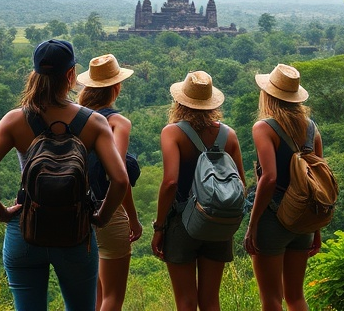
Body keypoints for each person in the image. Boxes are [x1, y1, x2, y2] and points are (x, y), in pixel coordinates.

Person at [0, 39, 128, 311]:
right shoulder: (94, 122)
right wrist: (100, 218)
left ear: (35, 74)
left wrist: (3, 214)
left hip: (25, 229)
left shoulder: (15, 120)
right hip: (75, 231)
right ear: (70, 75)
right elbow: (121, 180)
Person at [151, 70, 246, 311]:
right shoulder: (229, 135)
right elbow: (242, 186)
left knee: (185, 302)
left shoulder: (172, 133)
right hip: (217, 224)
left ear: (180, 101)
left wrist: (159, 227)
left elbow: (171, 183)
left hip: (181, 224)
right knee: (211, 301)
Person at [244, 63, 323, 311]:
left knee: (271, 299)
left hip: (273, 218)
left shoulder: (264, 128)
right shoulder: (312, 129)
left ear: (268, 95)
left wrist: (252, 224)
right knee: (296, 297)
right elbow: (318, 180)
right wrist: (316, 228)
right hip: (303, 219)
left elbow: (268, 179)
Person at [76, 53, 143, 311]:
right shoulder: (117, 122)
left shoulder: (74, 119)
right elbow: (117, 175)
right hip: (109, 211)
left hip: (76, 211)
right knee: (113, 298)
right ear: (116, 87)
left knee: (95, 298)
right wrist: (133, 219)